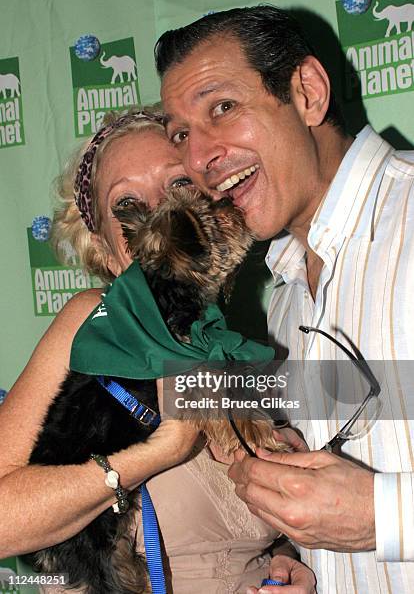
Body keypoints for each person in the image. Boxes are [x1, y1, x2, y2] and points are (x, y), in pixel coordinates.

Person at [155, 5, 414, 594]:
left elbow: (373, 515)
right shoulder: (285, 301)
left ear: (308, 93)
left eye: (223, 108)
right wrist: (313, 570)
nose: (198, 159)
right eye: (181, 136)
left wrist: (385, 516)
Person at [0, 107, 311, 593]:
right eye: (128, 203)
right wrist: (155, 454)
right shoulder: (93, 325)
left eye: (180, 186)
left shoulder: (238, 343)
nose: (161, 212)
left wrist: (289, 561)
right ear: (104, 248)